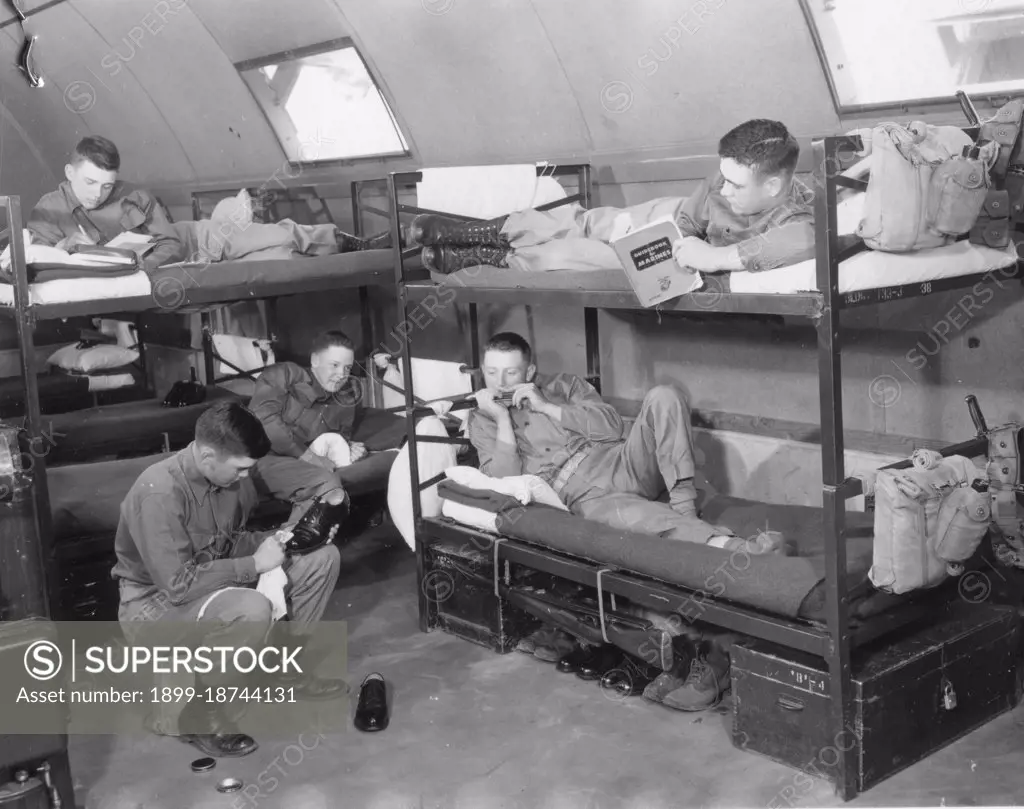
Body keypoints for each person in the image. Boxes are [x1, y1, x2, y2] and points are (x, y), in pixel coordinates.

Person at [466, 331, 787, 711]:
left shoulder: (563, 386)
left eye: (511, 373)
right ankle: (735, 547)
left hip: (620, 459)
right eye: (491, 373)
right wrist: (502, 418)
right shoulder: (481, 419)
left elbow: (613, 428)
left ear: (530, 371)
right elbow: (505, 479)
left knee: (664, 395)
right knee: (637, 516)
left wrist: (547, 407)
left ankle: (683, 505)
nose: (500, 383)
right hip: (581, 493)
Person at [113, 400, 347, 758]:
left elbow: (227, 541)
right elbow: (178, 585)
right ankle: (202, 713)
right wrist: (254, 564)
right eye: (239, 469)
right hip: (152, 605)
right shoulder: (159, 492)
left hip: (211, 582)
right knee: (250, 607)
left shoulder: (227, 478)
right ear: (207, 456)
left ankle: (283, 670)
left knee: (321, 558)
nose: (244, 477)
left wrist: (286, 540)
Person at [409, 118, 813, 277]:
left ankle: (494, 256)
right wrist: (663, 232)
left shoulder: (797, 213)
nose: (723, 189)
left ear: (774, 186)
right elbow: (692, 216)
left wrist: (715, 258)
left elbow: (806, 240)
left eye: (736, 186)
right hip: (676, 228)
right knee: (591, 221)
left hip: (688, 261)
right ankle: (485, 231)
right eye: (723, 177)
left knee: (580, 253)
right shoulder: (727, 177)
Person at [249, 330, 408, 508]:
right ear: (315, 360)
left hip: (315, 457)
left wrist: (349, 447)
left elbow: (340, 435)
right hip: (265, 459)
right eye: (334, 365)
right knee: (325, 480)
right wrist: (309, 457)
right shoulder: (284, 374)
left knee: (399, 431)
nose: (342, 374)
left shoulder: (348, 394)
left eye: (347, 367)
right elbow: (265, 421)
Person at [27, 135, 185, 271]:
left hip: (138, 284)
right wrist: (62, 247)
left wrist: (144, 267)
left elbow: (170, 244)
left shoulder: (136, 197)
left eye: (107, 186)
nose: (97, 194)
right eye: (90, 182)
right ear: (70, 172)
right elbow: (36, 263)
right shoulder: (48, 208)